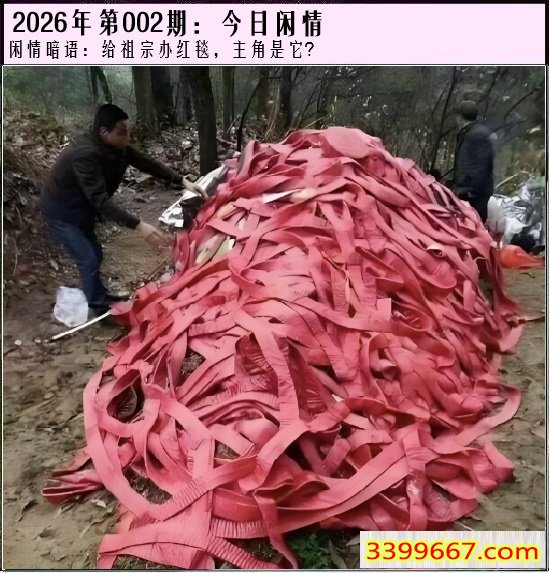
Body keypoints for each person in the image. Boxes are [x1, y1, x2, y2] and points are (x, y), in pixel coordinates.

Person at [40, 104, 204, 316]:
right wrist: (138, 225)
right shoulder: (85, 154)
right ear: (104, 132)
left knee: (95, 254)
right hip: (62, 211)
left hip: (82, 208)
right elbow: (100, 201)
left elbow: (147, 164)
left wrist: (182, 180)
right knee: (88, 258)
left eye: (127, 131)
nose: (127, 137)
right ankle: (99, 308)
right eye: (121, 132)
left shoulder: (118, 147)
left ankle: (98, 296)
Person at [452, 100, 495, 222]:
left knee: (473, 225)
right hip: (471, 193)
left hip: (474, 196)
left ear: (459, 117)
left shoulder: (476, 135)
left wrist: (468, 191)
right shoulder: (471, 132)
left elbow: (479, 167)